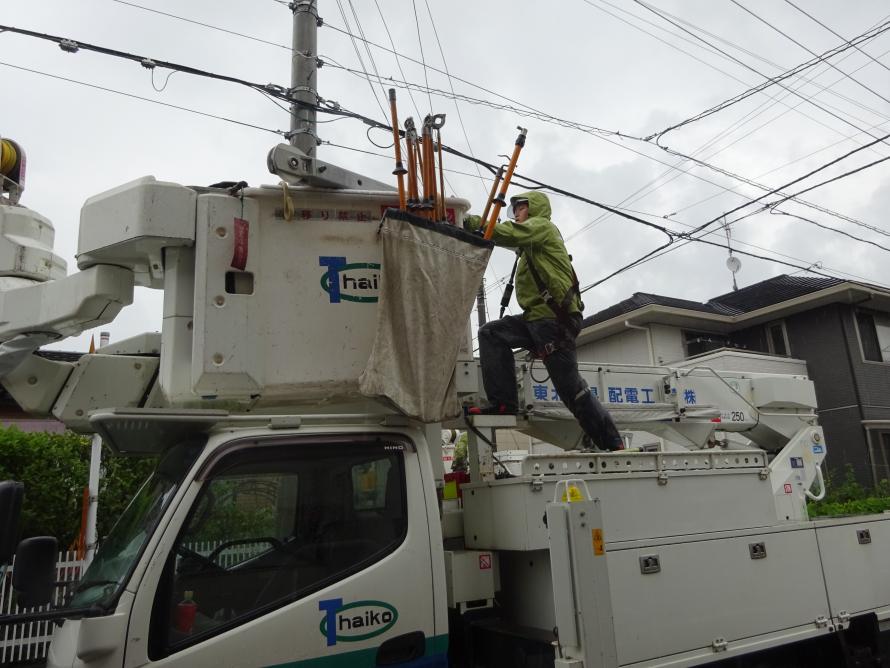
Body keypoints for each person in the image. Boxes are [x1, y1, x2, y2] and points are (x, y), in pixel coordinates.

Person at [464, 191, 623, 452]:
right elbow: (505, 236)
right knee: (492, 333)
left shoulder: (542, 227)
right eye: (513, 210)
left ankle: (613, 443)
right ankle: (504, 404)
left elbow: (508, 233)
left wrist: (468, 222)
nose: (516, 213)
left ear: (534, 209)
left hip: (553, 321)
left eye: (520, 208)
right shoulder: (529, 246)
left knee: (571, 390)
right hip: (537, 319)